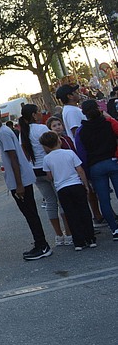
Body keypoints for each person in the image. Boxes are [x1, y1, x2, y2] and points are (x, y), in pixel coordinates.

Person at [0, 104, 51, 260]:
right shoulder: (1, 133)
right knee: (29, 213)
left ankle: (42, 245)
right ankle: (39, 242)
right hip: (17, 180)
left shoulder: (4, 133)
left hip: (20, 181)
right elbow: (7, 159)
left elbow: (14, 159)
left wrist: (19, 185)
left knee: (30, 213)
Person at [18, 104, 71, 246]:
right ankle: (69, 233)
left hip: (34, 170)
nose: (41, 114)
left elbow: (25, 154)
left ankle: (59, 235)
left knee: (50, 202)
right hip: (48, 167)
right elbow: (50, 145)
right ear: (34, 115)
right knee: (62, 200)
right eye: (39, 112)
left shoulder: (23, 133)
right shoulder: (41, 129)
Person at [39, 131, 96, 250]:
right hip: (76, 184)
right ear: (59, 140)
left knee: (71, 214)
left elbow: (49, 177)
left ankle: (78, 242)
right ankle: (90, 238)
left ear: (46, 146)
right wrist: (85, 184)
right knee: (84, 211)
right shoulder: (69, 153)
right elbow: (80, 170)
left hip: (62, 188)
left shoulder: (47, 159)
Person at [48, 115, 105, 226]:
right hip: (68, 174)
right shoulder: (55, 144)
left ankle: (95, 216)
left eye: (59, 124)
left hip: (77, 169)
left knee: (89, 194)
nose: (58, 127)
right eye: (54, 126)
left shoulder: (67, 138)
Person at [74, 100, 118, 241]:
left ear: (84, 113)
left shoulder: (81, 131)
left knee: (104, 199)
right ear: (98, 109)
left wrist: (86, 175)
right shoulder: (107, 123)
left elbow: (81, 154)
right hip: (112, 160)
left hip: (95, 166)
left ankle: (114, 228)